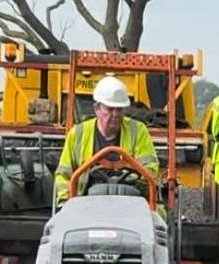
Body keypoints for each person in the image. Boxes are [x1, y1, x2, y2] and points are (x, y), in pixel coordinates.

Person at [54, 76, 159, 206]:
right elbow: (63, 174)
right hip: (85, 203)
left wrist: (131, 180)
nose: (115, 115)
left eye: (119, 109)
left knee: (158, 221)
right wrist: (65, 203)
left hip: (130, 202)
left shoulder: (138, 131)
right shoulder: (77, 134)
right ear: (96, 108)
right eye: (109, 109)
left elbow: (150, 169)